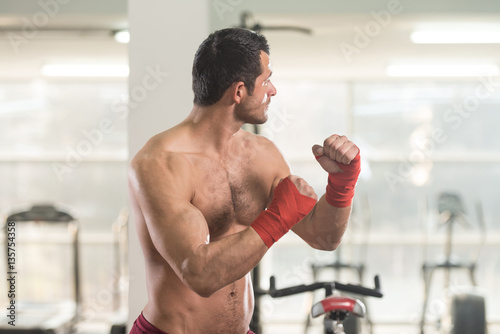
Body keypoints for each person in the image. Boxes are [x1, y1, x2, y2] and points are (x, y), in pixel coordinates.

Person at [128, 27, 361, 334]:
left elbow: (323, 237)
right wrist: (276, 219)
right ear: (239, 91)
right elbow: (199, 275)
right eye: (266, 81)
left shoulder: (262, 154)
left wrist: (341, 185)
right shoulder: (159, 163)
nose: (273, 90)